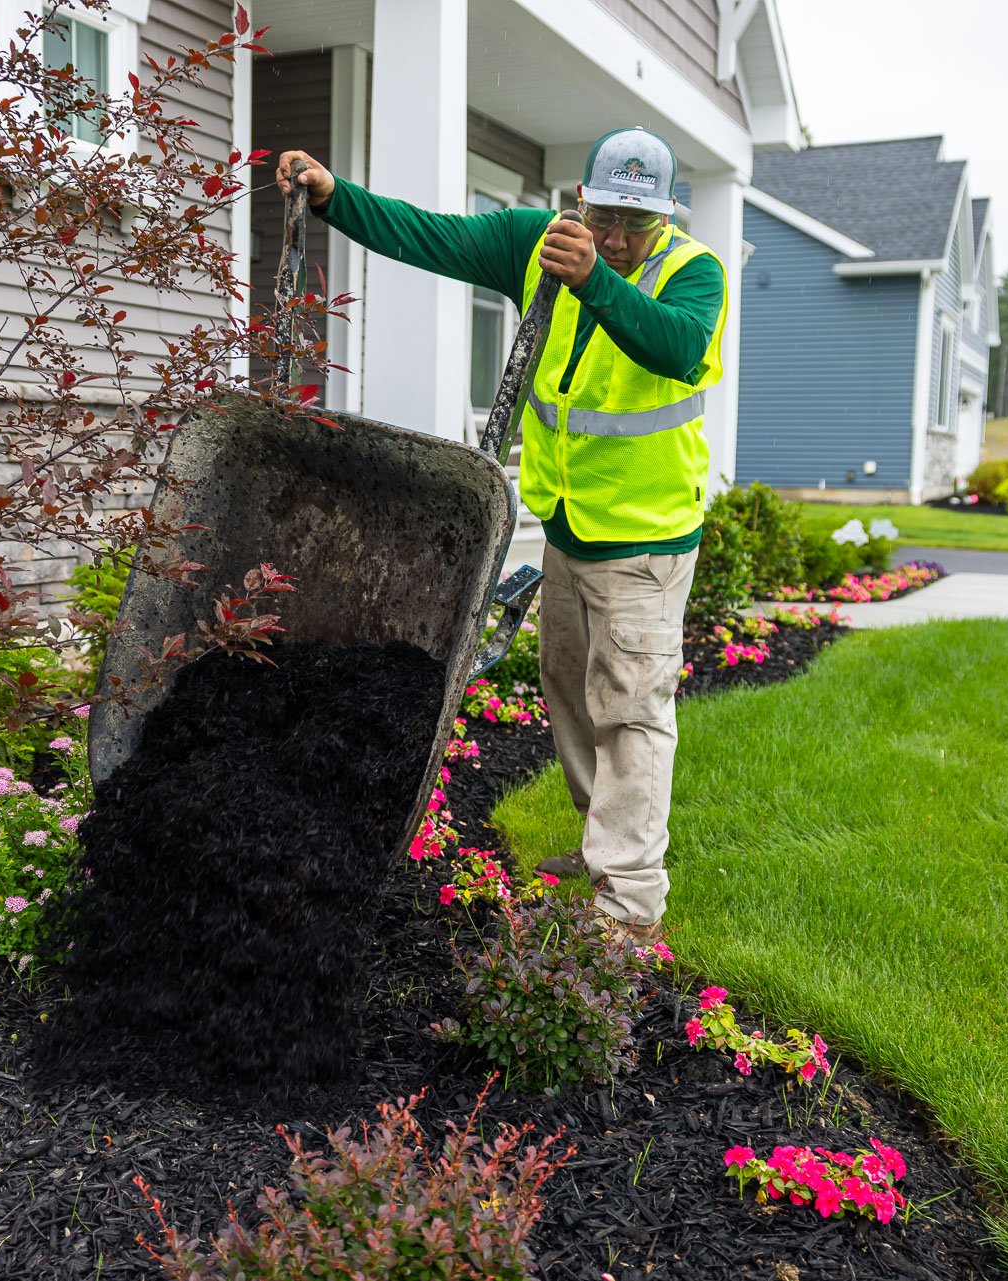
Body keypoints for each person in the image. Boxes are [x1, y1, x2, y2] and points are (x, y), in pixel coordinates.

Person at [276, 127, 727, 948]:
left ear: (665, 219)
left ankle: (627, 905)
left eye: (640, 224)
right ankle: (605, 847)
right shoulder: (534, 243)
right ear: (580, 198)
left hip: (649, 540)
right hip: (570, 524)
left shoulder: (694, 273)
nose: (620, 238)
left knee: (631, 711)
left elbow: (674, 347)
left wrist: (594, 280)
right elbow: (432, 236)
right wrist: (336, 199)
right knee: (569, 691)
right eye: (608, 216)